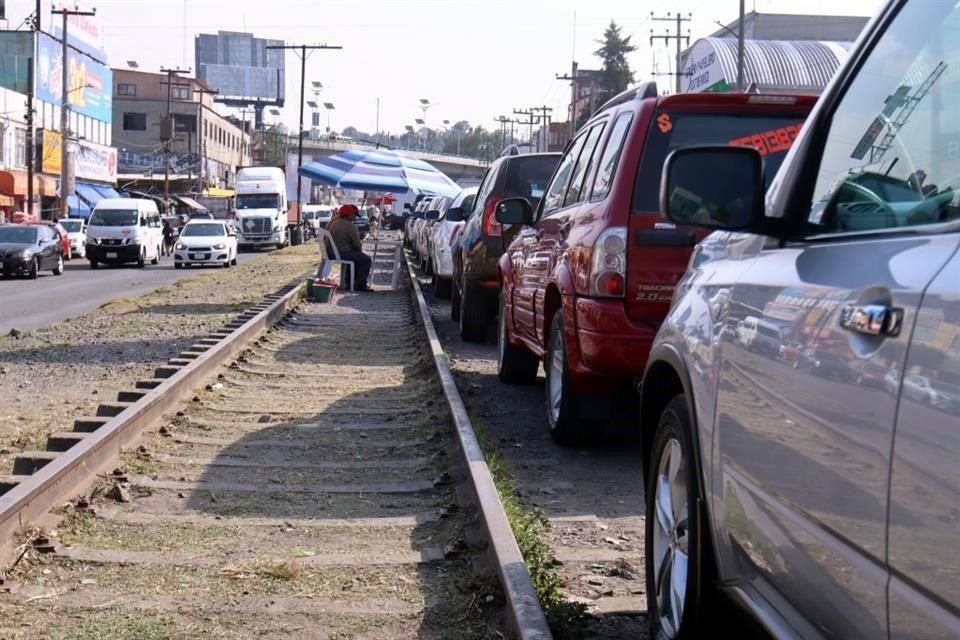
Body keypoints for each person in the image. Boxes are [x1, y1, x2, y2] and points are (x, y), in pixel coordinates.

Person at [326, 204, 372, 292]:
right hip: (340, 253)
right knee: (365, 259)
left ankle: (350, 283)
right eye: (354, 215)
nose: (355, 217)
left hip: (332, 252)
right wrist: (359, 252)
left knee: (356, 257)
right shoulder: (350, 226)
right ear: (349, 215)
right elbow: (357, 245)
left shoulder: (335, 222)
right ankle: (360, 285)